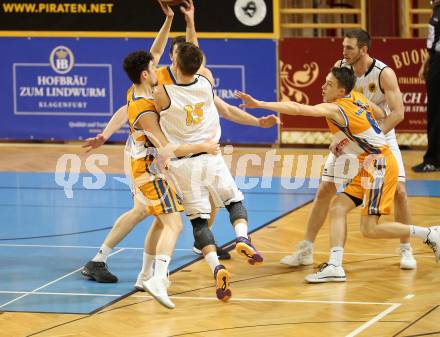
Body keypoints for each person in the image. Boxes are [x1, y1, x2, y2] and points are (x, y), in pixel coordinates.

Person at [82, 0, 279, 266]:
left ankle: (199, 245)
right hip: (149, 153)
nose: (164, 58)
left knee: (206, 198)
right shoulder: (162, 83)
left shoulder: (175, 83)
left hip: (170, 153)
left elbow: (224, 106)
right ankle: (102, 260)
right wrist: (106, 134)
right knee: (146, 211)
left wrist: (180, 20)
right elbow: (129, 106)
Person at [236, 67, 440, 282]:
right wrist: (349, 138)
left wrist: (259, 104)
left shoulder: (335, 108)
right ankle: (334, 265)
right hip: (368, 164)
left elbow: (297, 108)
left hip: (379, 165)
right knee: (338, 207)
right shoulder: (358, 97)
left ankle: (429, 233)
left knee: (369, 229)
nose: (323, 86)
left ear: (341, 91)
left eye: (329, 84)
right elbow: (380, 114)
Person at [280, 29, 417, 270]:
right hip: (348, 136)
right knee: (325, 189)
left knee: (401, 193)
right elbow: (334, 107)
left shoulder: (384, 74)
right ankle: (306, 249)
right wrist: (339, 139)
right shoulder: (340, 66)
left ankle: (406, 248)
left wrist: (371, 138)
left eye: (349, 48)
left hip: (380, 135)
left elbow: (397, 114)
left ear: (364, 50)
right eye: (343, 47)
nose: (343, 51)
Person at [154, 42, 263, 302]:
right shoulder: (206, 81)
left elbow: (150, 71)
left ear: (175, 64)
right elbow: (196, 59)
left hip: (183, 163)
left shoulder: (162, 93)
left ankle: (216, 266)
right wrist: (191, 22)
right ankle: (242, 237)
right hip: (212, 156)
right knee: (234, 201)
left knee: (199, 222)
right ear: (199, 65)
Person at [413, 0, 440, 172]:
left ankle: (433, 160)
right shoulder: (435, 12)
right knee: (435, 112)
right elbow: (432, 45)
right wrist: (425, 65)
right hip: (436, 62)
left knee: (436, 112)